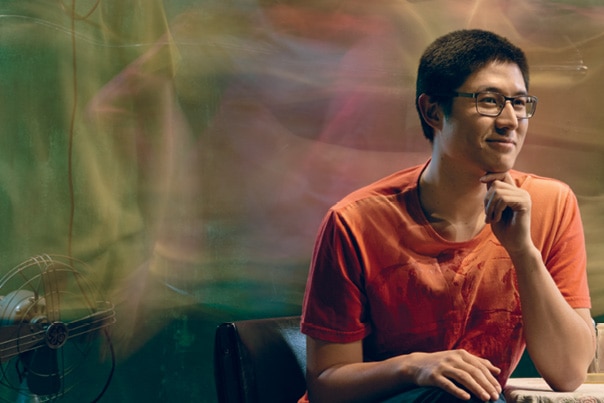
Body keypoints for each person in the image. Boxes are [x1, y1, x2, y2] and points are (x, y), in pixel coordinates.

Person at [299, 29, 596, 403]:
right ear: (433, 111)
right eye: (489, 101)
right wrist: (415, 366)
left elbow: (568, 374)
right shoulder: (355, 221)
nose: (509, 120)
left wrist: (523, 252)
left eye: (519, 103)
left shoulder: (550, 204)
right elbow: (325, 385)